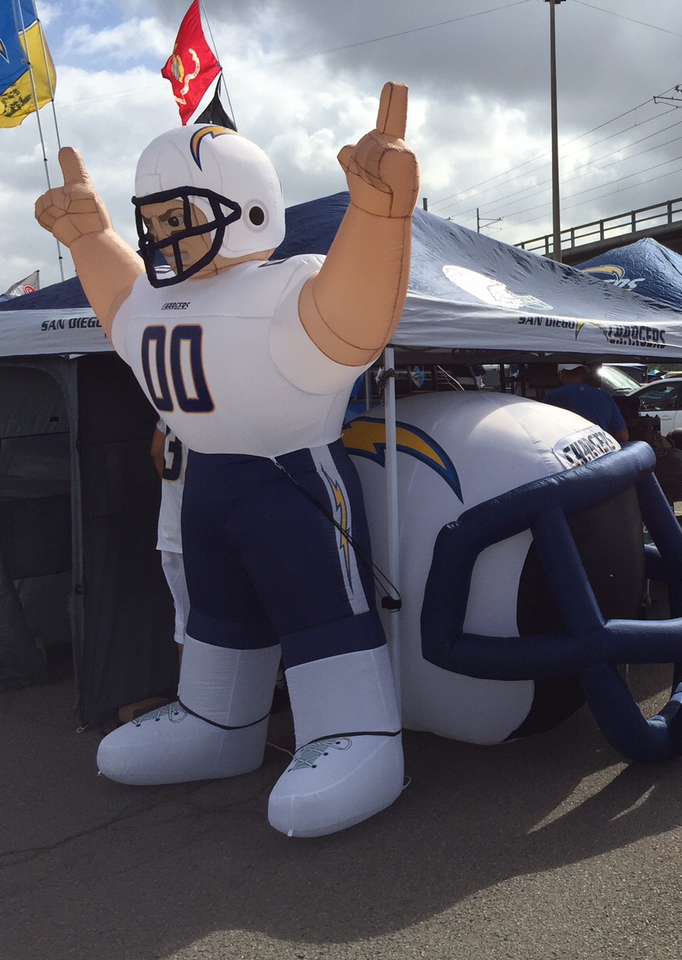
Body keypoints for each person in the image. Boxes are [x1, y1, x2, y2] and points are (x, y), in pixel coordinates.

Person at [35, 85, 419, 837]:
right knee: (218, 613)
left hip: (291, 478)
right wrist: (90, 239)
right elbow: (121, 298)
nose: (160, 237)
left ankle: (357, 732)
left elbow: (352, 318)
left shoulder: (284, 286)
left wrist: (376, 219)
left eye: (176, 218)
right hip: (209, 480)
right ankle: (219, 718)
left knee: (320, 610)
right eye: (151, 222)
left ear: (245, 207)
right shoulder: (153, 300)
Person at [150, 420, 189, 659]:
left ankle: (186, 693)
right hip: (202, 530)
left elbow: (156, 450)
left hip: (171, 527)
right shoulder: (217, 404)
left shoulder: (171, 404)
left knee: (184, 619)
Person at [543, 362, 629, 442]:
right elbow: (623, 436)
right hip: (601, 452)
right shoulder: (605, 396)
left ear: (561, 375)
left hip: (568, 452)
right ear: (583, 375)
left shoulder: (552, 397)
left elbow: (544, 432)